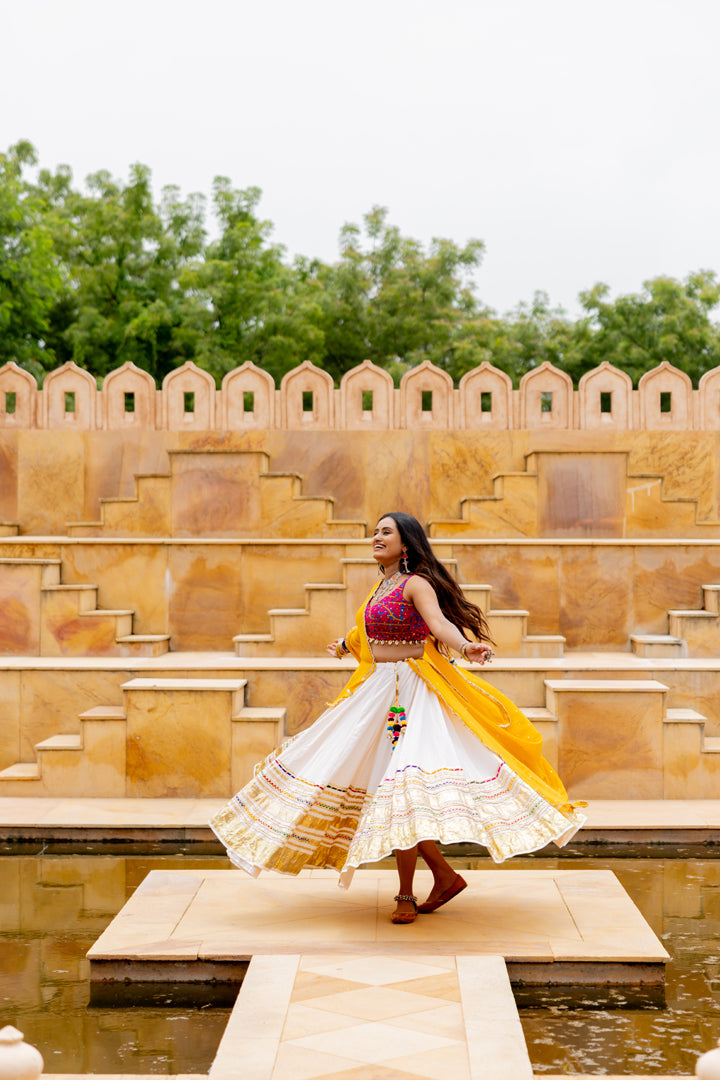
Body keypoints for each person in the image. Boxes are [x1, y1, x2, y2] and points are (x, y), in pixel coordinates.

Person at [209, 512, 585, 924]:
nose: (376, 536)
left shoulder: (416, 583)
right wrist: (346, 643)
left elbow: (437, 624)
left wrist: (465, 647)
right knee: (382, 788)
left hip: (413, 693)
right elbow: (372, 632)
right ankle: (444, 876)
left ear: (406, 543)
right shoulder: (382, 585)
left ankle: (408, 893)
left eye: (386, 532)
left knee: (402, 789)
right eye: (374, 531)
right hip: (378, 691)